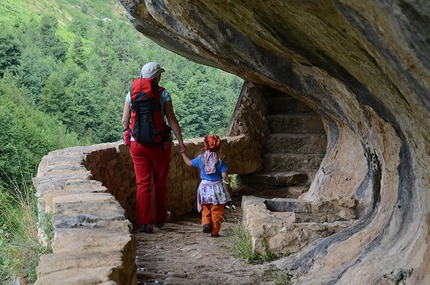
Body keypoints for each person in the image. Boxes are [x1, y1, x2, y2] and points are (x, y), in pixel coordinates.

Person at [122, 62, 186, 234]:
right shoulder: (163, 94)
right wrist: (180, 141)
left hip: (137, 145)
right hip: (159, 145)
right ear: (156, 77)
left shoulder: (131, 92)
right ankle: (159, 219)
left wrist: (128, 133)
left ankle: (144, 223)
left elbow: (124, 120)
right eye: (159, 74)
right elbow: (171, 119)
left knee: (142, 183)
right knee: (159, 183)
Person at [180, 134, 231, 237]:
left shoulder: (201, 159)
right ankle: (214, 232)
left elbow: (189, 163)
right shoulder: (220, 161)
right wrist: (228, 180)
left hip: (204, 189)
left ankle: (206, 223)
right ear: (219, 146)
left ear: (205, 146)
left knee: (206, 208)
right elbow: (224, 176)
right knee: (216, 210)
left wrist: (182, 153)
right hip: (217, 189)